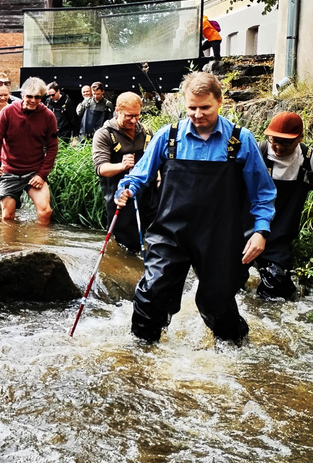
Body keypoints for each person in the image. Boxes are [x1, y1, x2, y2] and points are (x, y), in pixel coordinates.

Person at [116, 71, 275, 344]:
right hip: (171, 232)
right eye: (191, 108)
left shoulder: (241, 141)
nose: (197, 114)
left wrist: (260, 231)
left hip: (219, 236)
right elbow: (138, 176)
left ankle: (236, 353)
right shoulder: (169, 136)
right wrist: (126, 188)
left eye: (205, 108)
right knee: (152, 294)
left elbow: (263, 192)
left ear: (220, 102)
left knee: (216, 301)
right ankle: (140, 355)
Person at [246, 112, 312, 299]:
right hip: (246, 232)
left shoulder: (308, 161)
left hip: (279, 239)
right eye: (275, 140)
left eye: (286, 142)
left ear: (300, 138)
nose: (278, 147)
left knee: (277, 286)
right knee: (226, 284)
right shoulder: (256, 152)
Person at [92, 92, 157, 253]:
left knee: (155, 238)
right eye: (129, 116)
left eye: (137, 115)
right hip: (119, 196)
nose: (134, 121)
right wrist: (121, 166)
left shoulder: (147, 132)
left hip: (148, 194)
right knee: (127, 244)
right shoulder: (104, 134)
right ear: (117, 110)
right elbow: (100, 169)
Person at [0, 77, 59, 224]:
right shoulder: (7, 112)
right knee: (8, 217)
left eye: (37, 97)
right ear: (22, 95)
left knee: (45, 212)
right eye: (29, 96)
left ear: (42, 97)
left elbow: (53, 147)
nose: (33, 100)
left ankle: (38, 247)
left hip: (34, 172)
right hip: (9, 171)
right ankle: (10, 246)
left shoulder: (48, 116)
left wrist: (42, 174)